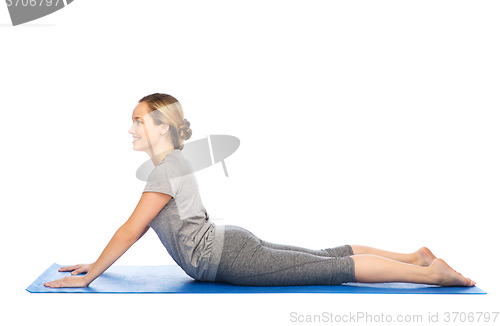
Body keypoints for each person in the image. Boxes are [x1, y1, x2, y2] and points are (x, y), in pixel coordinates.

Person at [44, 93, 476, 288]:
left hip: (231, 256)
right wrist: (96, 264)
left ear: (162, 127)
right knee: (324, 257)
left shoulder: (163, 171)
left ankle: (428, 273)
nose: (131, 128)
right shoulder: (172, 164)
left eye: (139, 120)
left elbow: (130, 229)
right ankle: (413, 257)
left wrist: (93, 274)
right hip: (231, 246)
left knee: (331, 269)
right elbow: (134, 231)